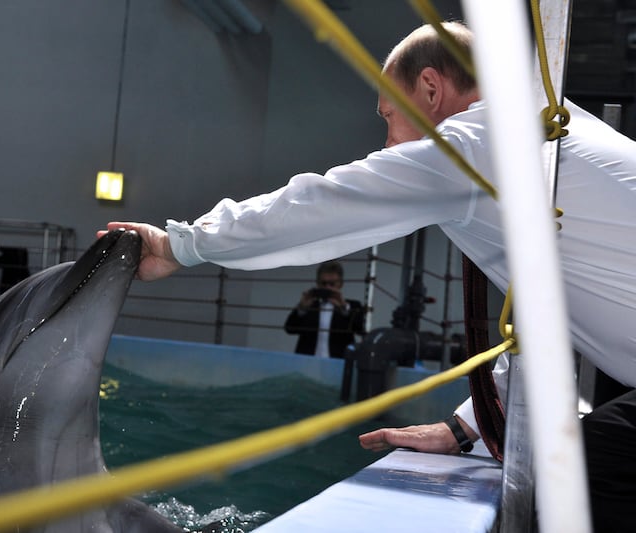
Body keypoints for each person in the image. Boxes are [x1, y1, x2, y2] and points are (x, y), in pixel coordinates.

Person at [102, 21, 636, 532]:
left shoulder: (478, 146)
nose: (387, 142)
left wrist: (178, 246)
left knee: (575, 488)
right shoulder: (551, 133)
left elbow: (323, 203)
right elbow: (554, 323)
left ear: (430, 88)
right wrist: (465, 425)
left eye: (388, 116)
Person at [283, 261, 364, 358]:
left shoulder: (353, 306)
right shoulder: (309, 305)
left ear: (341, 284)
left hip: (338, 364)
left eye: (332, 284)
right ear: (317, 283)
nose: (327, 287)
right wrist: (302, 309)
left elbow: (361, 330)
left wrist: (344, 308)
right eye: (323, 283)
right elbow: (289, 329)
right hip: (308, 363)